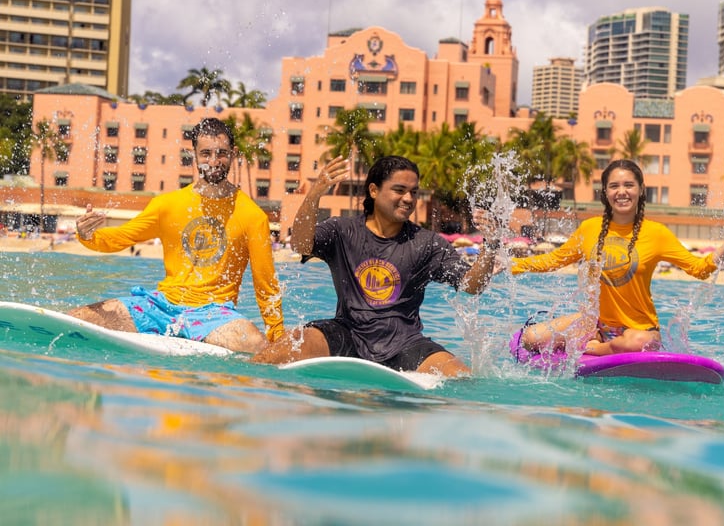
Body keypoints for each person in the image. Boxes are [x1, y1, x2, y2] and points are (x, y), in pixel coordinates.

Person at [251, 155, 501, 376]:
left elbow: (471, 286)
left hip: (405, 343)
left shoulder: (427, 243)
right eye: (399, 190)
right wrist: (315, 194)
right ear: (373, 190)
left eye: (413, 192)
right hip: (348, 332)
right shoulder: (342, 230)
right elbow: (300, 245)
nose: (408, 199)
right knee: (275, 354)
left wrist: (491, 244)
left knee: (462, 378)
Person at [67, 117, 283, 353]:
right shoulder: (167, 205)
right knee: (77, 318)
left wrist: (277, 337)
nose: (213, 162)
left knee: (256, 344)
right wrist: (88, 235)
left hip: (214, 315)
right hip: (160, 307)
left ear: (234, 154)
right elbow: (121, 237)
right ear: (194, 155)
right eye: (206, 154)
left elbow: (266, 285)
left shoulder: (252, 216)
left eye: (221, 153)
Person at [511, 159, 724, 356]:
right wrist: (510, 264)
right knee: (531, 338)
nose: (621, 192)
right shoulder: (589, 229)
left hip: (639, 331)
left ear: (641, 189)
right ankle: (600, 343)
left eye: (629, 185)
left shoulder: (657, 233)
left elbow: (700, 269)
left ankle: (594, 349)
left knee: (638, 343)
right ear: (605, 192)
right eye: (614, 186)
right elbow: (553, 260)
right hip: (596, 325)